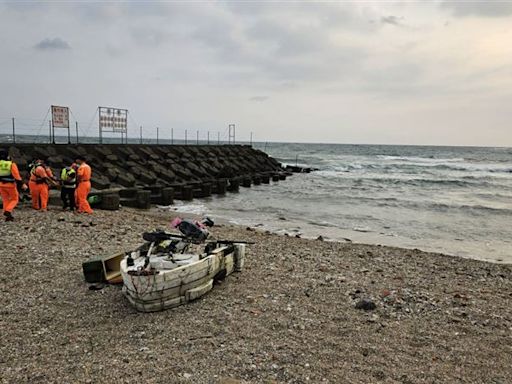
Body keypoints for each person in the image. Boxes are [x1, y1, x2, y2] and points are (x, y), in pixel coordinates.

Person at [0, 149, 27, 221]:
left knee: (5, 199)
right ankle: (8, 211)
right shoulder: (11, 164)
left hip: (1, 184)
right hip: (10, 185)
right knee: (15, 199)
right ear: (7, 156)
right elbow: (17, 176)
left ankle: (7, 214)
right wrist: (22, 184)